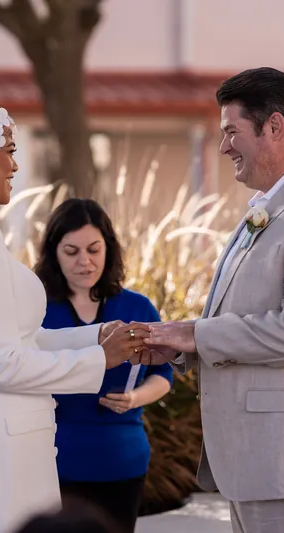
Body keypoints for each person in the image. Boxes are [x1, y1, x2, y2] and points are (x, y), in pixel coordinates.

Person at [144, 67, 284, 533]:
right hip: (261, 465)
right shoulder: (274, 207)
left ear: (274, 126)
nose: (224, 146)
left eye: (231, 131)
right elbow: (246, 316)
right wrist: (184, 342)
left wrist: (196, 334)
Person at [0, 99, 149, 533]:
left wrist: (95, 338)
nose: (14, 165)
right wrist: (101, 361)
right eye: (8, 150)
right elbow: (1, 363)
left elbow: (19, 340)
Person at [34, 198, 173, 533]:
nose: (85, 261)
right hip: (50, 460)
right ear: (53, 253)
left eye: (94, 249)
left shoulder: (138, 307)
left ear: (109, 249)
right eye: (72, 251)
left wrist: (135, 399)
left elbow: (164, 375)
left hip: (121, 460)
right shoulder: (35, 308)